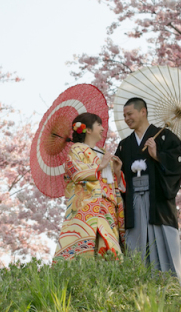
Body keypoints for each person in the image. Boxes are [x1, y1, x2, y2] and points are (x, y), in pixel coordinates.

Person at [115, 97, 181, 283]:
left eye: (130, 114)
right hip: (133, 203)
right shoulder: (124, 145)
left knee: (164, 245)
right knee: (135, 247)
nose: (127, 118)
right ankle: (137, 291)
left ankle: (172, 289)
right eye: (124, 116)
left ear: (143, 111)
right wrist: (116, 171)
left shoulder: (166, 138)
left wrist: (158, 155)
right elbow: (119, 179)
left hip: (157, 204)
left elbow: (176, 168)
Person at [53, 112, 126, 262]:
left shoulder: (104, 152)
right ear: (88, 130)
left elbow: (113, 184)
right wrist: (102, 165)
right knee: (88, 247)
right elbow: (75, 172)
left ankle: (106, 283)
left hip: (108, 206)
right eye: (98, 124)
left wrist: (117, 171)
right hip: (88, 205)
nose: (102, 128)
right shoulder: (77, 149)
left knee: (108, 246)